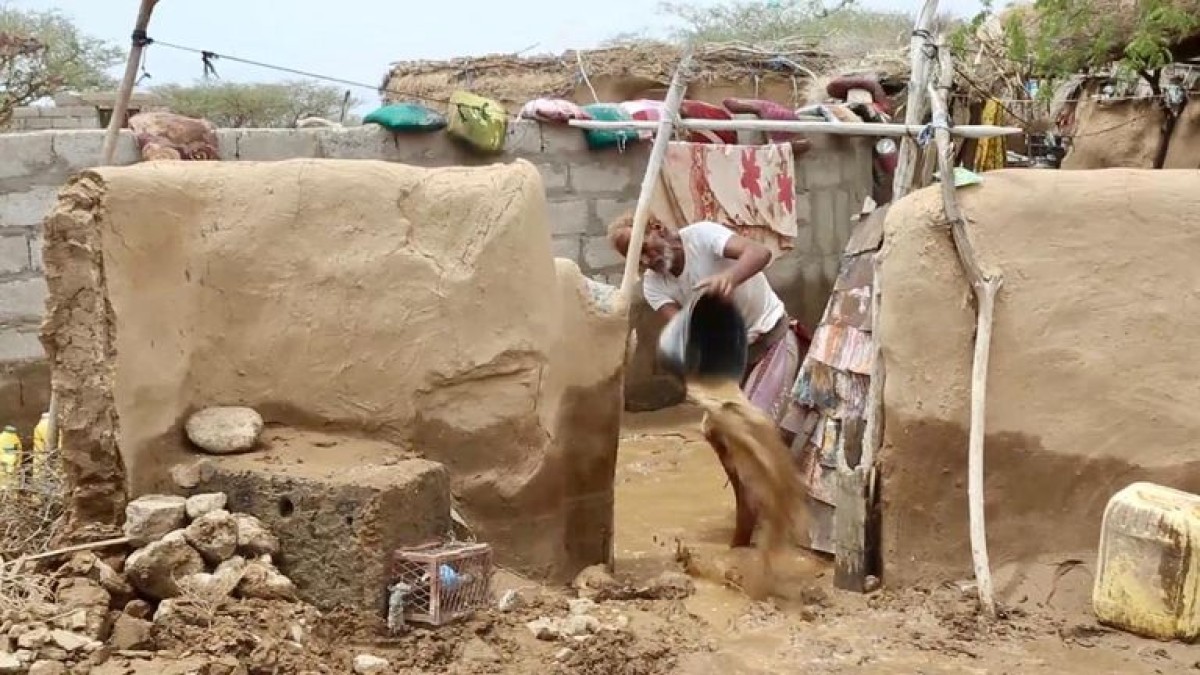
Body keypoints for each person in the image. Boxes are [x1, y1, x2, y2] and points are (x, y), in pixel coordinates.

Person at [607, 212, 808, 547]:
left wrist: (729, 278)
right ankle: (748, 505)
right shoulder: (655, 287)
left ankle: (777, 516)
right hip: (730, 359)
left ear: (658, 229)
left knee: (752, 428)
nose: (647, 259)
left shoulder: (702, 237)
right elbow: (685, 332)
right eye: (637, 257)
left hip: (770, 339)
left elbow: (759, 253)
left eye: (645, 247)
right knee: (716, 432)